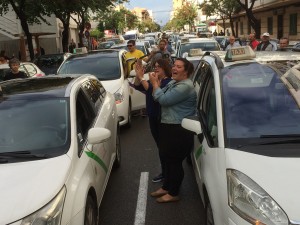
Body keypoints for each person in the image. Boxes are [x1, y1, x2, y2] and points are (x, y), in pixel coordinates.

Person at [149, 58, 196, 203]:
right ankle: (166, 187)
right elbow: (156, 96)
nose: (174, 68)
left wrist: (155, 84)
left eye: (179, 67)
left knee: (174, 162)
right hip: (168, 125)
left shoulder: (185, 87)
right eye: (174, 65)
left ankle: (174, 192)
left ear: (186, 71)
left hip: (178, 128)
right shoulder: (173, 83)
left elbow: (163, 100)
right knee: (167, 159)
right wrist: (156, 87)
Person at [134, 58, 172, 183]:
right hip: (153, 117)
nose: (156, 68)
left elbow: (153, 92)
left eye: (159, 66)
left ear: (165, 68)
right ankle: (165, 173)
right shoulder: (156, 80)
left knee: (164, 147)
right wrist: (138, 74)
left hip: (162, 119)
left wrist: (143, 78)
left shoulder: (168, 82)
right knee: (160, 147)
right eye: (155, 66)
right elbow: (138, 86)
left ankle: (167, 174)